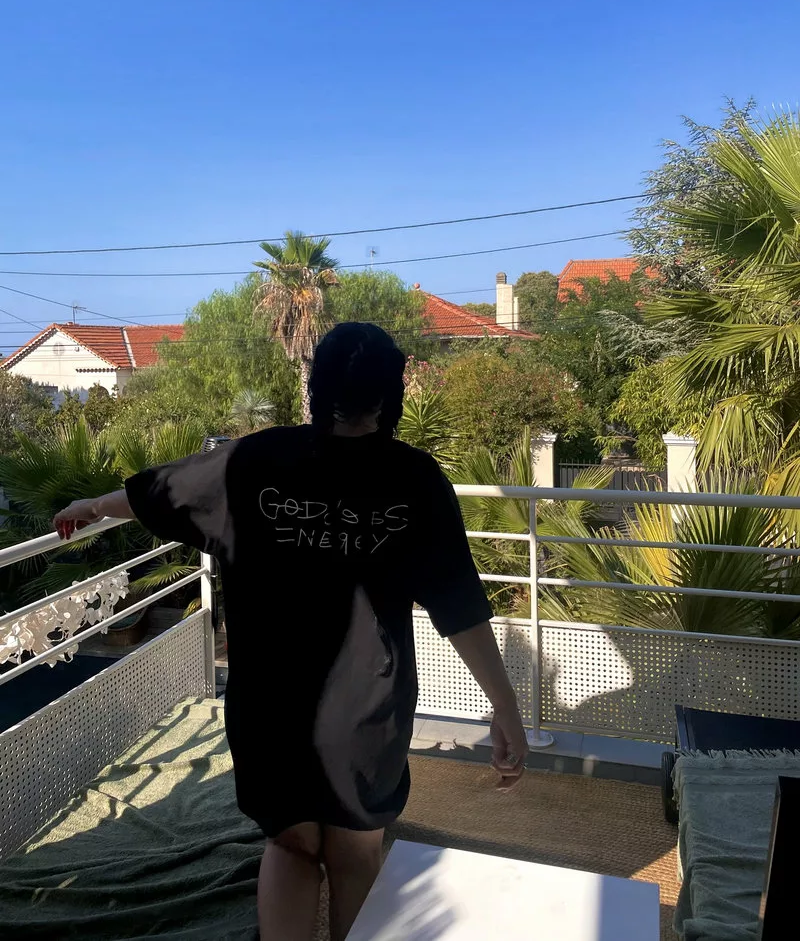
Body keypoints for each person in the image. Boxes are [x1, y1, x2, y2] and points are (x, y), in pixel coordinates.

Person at [53, 322, 529, 941]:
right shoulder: (415, 479)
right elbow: (460, 606)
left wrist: (92, 506)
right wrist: (504, 708)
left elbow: (161, 491)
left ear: (316, 385)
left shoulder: (253, 460)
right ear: (390, 393)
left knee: (291, 845)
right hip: (367, 708)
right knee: (356, 852)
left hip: (269, 706)